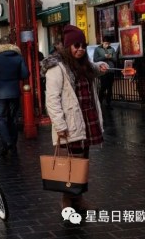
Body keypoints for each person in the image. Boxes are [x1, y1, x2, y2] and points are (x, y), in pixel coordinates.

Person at [41, 24, 109, 212]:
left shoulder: (84, 64)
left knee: (82, 161)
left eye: (83, 46)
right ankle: (68, 199)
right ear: (68, 46)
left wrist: (102, 67)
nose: (80, 49)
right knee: (72, 162)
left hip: (87, 118)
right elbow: (52, 99)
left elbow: (94, 69)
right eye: (76, 46)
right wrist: (60, 124)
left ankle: (78, 197)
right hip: (70, 122)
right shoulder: (57, 67)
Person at [0, 38, 29, 157]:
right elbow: (25, 74)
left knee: (0, 118)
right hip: (15, 91)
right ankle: (12, 146)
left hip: (0, 93)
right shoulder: (18, 57)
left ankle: (7, 142)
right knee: (13, 118)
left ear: (0, 45)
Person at [93, 36, 117, 109]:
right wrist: (104, 57)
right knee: (103, 87)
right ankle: (99, 102)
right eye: (106, 43)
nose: (107, 45)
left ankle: (108, 103)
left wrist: (110, 57)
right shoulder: (97, 49)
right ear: (102, 42)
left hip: (111, 70)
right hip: (102, 71)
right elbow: (95, 59)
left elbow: (115, 59)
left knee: (110, 87)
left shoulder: (112, 49)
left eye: (108, 43)